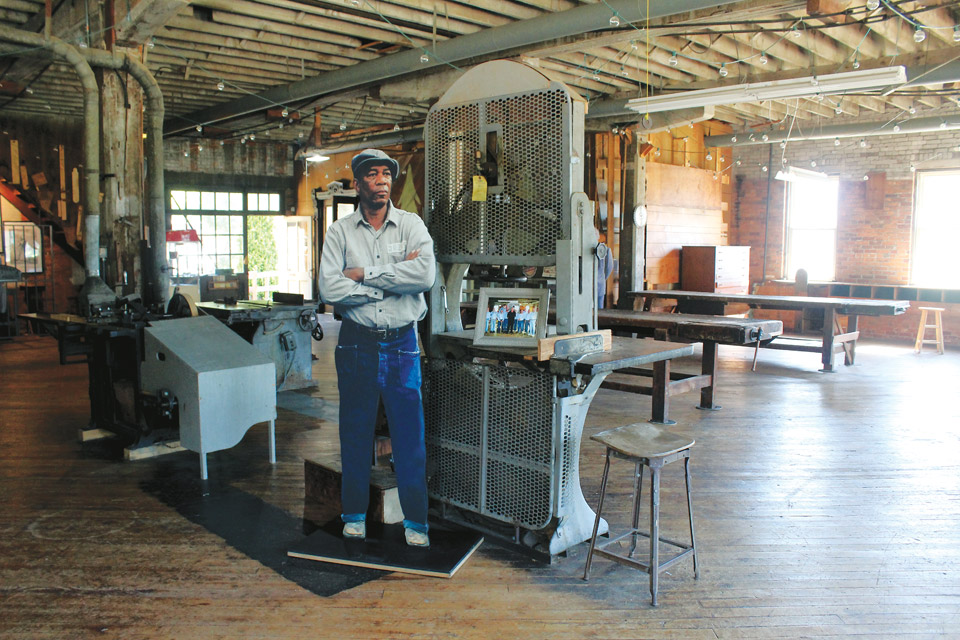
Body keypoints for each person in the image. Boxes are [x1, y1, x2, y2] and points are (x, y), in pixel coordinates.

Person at [318, 149, 436, 548]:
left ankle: (416, 523)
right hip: (356, 344)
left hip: (403, 343)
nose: (382, 180)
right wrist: (390, 282)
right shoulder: (339, 233)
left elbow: (425, 275)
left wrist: (364, 276)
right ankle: (353, 515)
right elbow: (329, 288)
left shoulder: (412, 225)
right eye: (372, 174)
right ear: (358, 184)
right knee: (354, 433)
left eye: (387, 174)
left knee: (410, 438)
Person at [597, 232, 614, 309]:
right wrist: (602, 278)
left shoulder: (606, 250)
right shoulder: (606, 250)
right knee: (599, 309)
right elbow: (609, 267)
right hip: (600, 283)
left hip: (585, 285)